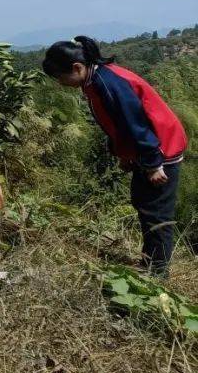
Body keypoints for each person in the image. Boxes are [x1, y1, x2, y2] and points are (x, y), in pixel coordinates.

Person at [42, 36, 187, 276]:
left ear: (77, 68)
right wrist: (125, 154)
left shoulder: (108, 83)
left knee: (156, 211)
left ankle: (158, 272)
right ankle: (150, 262)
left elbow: (135, 122)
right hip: (149, 149)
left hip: (161, 149)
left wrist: (152, 163)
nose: (59, 83)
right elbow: (116, 125)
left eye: (60, 77)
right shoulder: (95, 79)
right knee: (143, 201)